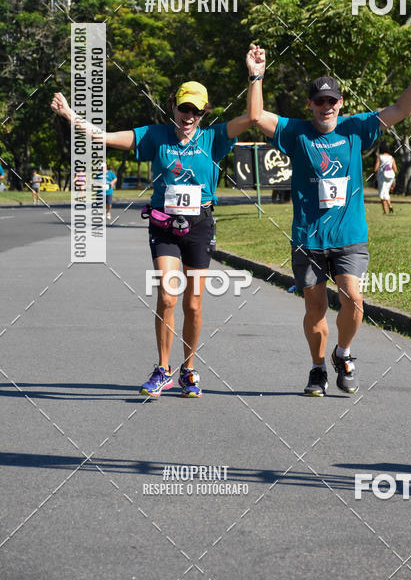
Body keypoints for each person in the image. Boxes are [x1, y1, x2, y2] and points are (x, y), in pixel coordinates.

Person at [51, 44, 266, 399]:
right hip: (164, 225)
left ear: (204, 112)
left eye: (196, 110)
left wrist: (255, 75)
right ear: (174, 107)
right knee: (167, 296)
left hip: (199, 225)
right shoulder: (155, 136)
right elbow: (104, 137)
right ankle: (163, 369)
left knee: (193, 304)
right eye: (184, 108)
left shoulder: (214, 139)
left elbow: (254, 117)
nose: (188, 116)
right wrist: (70, 115)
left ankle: (189, 370)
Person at [253, 51, 411, 396]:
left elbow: (401, 110)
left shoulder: (355, 128)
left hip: (349, 236)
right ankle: (318, 368)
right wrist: (256, 75)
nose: (326, 106)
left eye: (332, 100)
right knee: (315, 308)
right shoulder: (296, 132)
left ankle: (343, 353)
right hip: (309, 238)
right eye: (320, 101)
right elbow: (256, 115)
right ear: (310, 104)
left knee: (354, 299)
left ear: (340, 102)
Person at [374, 148, 397, 214]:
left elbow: (376, 168)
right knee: (386, 192)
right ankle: (390, 206)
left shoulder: (380, 157)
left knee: (382, 193)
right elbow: (395, 169)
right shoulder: (391, 158)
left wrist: (374, 171)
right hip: (390, 176)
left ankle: (385, 211)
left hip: (382, 177)